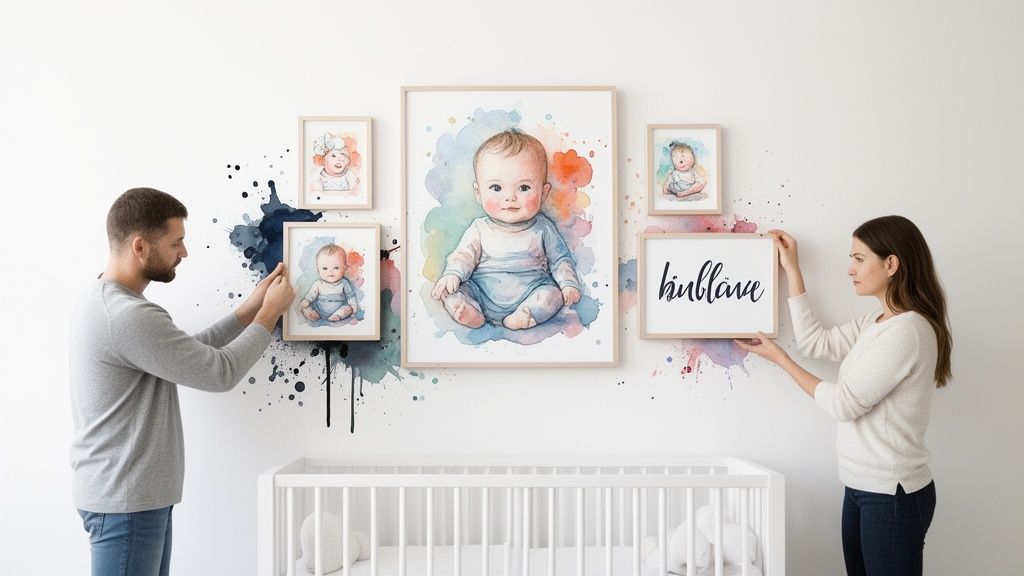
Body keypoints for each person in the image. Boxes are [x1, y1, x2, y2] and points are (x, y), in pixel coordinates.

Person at [69, 187, 295, 576]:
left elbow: (187, 354)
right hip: (126, 502)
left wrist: (248, 310)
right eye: (177, 242)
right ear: (140, 247)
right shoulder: (126, 316)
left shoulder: (112, 304)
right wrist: (269, 316)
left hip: (130, 498)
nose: (184, 253)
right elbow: (218, 372)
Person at [735, 216, 952, 575]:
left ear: (891, 264)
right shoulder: (877, 323)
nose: (850, 269)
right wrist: (792, 269)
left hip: (891, 494)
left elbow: (843, 404)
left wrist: (780, 360)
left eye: (858, 259)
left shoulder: (907, 332)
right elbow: (816, 342)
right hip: (860, 485)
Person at [430, 129, 582, 330]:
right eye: (496, 188)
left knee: (552, 295)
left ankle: (526, 313)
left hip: (532, 291)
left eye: (524, 188)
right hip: (481, 292)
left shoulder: (543, 228)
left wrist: (568, 283)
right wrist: (453, 274)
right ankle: (468, 310)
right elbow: (462, 256)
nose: (510, 197)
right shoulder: (479, 228)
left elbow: (560, 259)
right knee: (452, 291)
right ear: (478, 192)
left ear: (544, 192)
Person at [298, 243, 359, 324]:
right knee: (308, 308)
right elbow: (311, 295)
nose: (330, 271)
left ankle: (337, 315)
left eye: (336, 268)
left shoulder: (344, 283)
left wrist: (353, 304)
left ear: (345, 268)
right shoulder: (318, 284)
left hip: (339, 309)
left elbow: (350, 296)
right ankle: (312, 314)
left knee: (348, 309)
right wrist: (306, 300)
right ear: (318, 269)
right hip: (319, 309)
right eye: (325, 268)